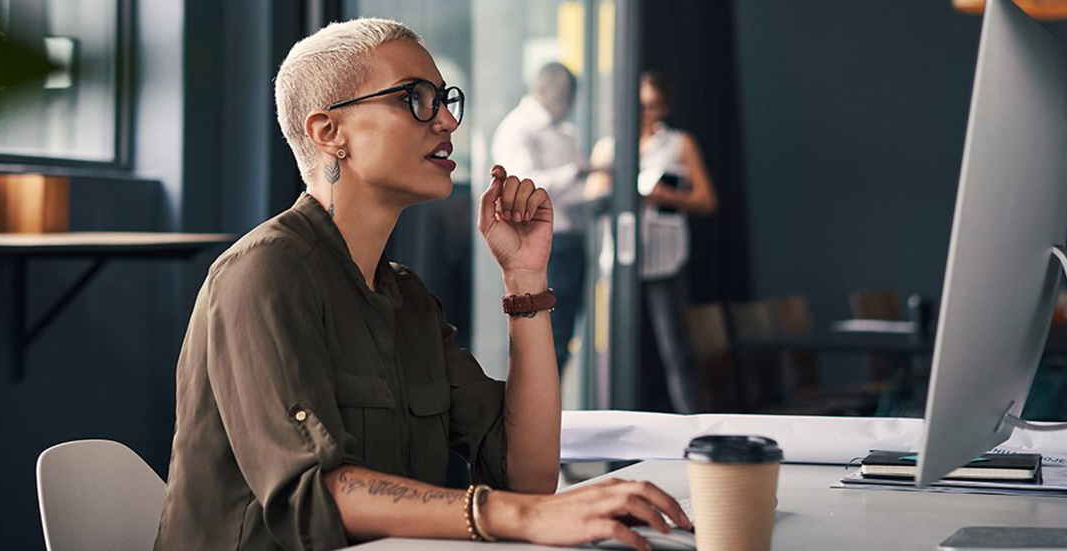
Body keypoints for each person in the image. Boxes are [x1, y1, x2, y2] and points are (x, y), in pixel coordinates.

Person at [154, 19, 690, 551]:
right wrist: (515, 516)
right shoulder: (262, 272)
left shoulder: (408, 298)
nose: (448, 121)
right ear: (328, 132)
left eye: (446, 99)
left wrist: (526, 283)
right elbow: (311, 495)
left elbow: (526, 475)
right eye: (416, 98)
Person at [587, 70, 718, 414]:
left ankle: (691, 427)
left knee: (676, 352)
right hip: (620, 259)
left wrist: (667, 195)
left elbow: (706, 201)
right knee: (615, 351)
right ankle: (611, 422)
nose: (647, 112)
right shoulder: (609, 147)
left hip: (663, 257)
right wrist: (619, 190)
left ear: (664, 107)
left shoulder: (679, 144)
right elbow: (592, 201)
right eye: (641, 105)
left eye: (654, 105)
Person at [491, 62, 590, 374]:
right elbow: (524, 187)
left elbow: (575, 192)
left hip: (571, 244)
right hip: (544, 248)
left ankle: (549, 418)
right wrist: (577, 173)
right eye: (564, 93)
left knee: (564, 338)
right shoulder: (518, 129)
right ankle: (537, 419)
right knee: (546, 338)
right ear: (541, 89)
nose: (569, 101)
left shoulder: (565, 133)